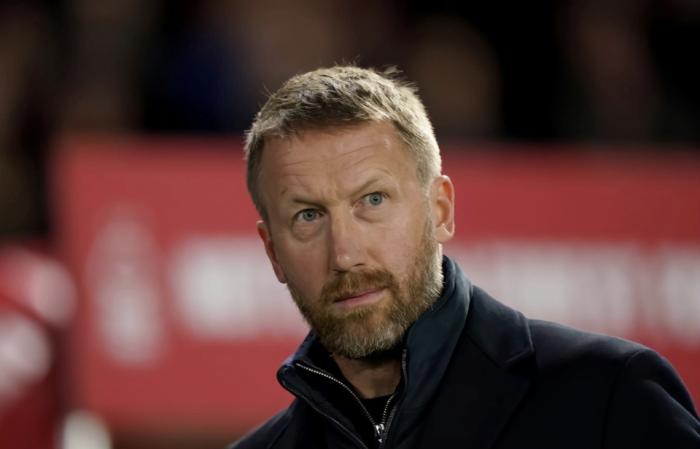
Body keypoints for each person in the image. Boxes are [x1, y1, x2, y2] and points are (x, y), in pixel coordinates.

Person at [230, 66, 700, 449]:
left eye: (373, 200)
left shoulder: (609, 396)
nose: (345, 254)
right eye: (309, 216)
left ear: (440, 211)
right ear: (273, 252)